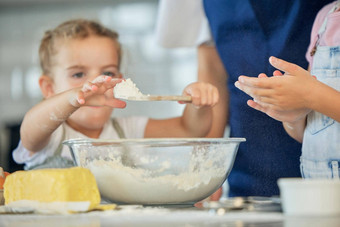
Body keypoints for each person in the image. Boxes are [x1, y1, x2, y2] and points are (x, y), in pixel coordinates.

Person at [155, 0, 334, 196]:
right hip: (248, 153)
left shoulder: (330, 16)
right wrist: (206, 166)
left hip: (321, 162)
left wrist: (310, 97)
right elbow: (212, 68)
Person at [13, 19, 219, 170]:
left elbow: (190, 129)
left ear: (120, 81)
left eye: (107, 73)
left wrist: (197, 103)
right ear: (49, 88)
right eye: (78, 74)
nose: (97, 83)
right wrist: (72, 98)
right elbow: (31, 128)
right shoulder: (52, 136)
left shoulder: (128, 130)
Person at [235, 1, 340, 178]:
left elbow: (314, 97)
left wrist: (312, 95)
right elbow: (308, 132)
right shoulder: (324, 18)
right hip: (319, 195)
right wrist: (293, 117)